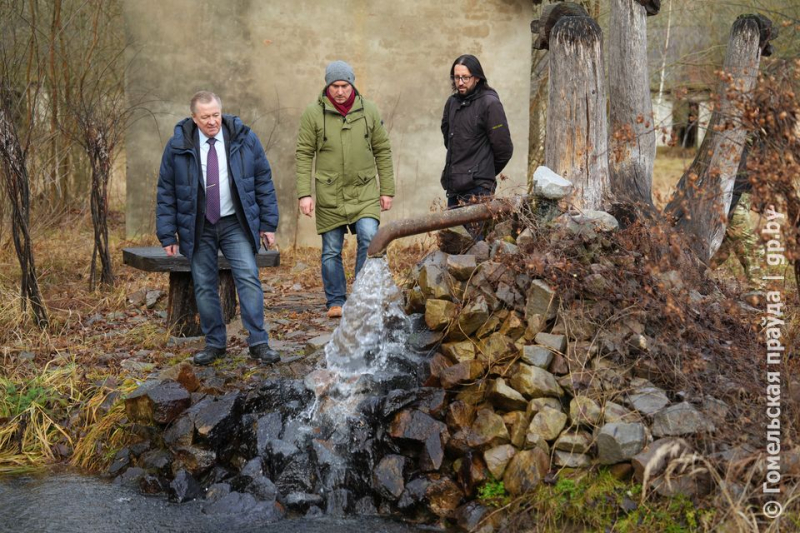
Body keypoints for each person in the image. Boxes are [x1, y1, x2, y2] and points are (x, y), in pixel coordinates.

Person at [156, 91, 281, 366]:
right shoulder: (178, 146)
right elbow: (166, 191)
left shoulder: (244, 138)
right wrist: (167, 233)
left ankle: (259, 343)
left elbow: (263, 180)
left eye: (215, 115)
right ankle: (215, 344)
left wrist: (268, 224)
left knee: (248, 276)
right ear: (194, 118)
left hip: (235, 222)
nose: (212, 121)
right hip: (198, 225)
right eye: (205, 117)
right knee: (203, 285)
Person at [296, 60, 395, 318]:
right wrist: (304, 194)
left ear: (352, 85)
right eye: (335, 86)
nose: (340, 91)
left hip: (364, 191)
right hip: (330, 194)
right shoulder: (313, 114)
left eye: (345, 85)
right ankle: (336, 301)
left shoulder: (368, 111)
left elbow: (382, 150)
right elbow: (304, 153)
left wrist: (387, 190)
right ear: (327, 86)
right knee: (331, 249)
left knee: (369, 236)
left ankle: (361, 296)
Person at [440, 54, 513, 239]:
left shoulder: (490, 103)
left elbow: (504, 148)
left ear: (477, 77)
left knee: (475, 248)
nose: (460, 82)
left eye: (465, 77)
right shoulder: (452, 103)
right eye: (457, 77)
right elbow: (449, 139)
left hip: (478, 190)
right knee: (454, 248)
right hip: (454, 187)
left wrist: (483, 171)